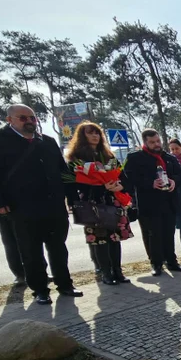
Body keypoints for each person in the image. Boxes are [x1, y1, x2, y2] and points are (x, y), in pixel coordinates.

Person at [0, 104, 82, 305]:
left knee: (58, 248)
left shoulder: (47, 142)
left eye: (32, 118)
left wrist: (73, 199)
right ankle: (40, 289)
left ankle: (65, 284)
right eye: (23, 118)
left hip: (54, 206)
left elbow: (64, 172)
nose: (29, 122)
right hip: (21, 207)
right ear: (10, 120)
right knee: (31, 251)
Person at [64, 122, 133, 285]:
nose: (95, 136)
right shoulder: (76, 159)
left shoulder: (109, 156)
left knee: (114, 238)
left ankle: (118, 271)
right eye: (90, 133)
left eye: (97, 133)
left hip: (111, 201)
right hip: (92, 203)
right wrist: (99, 187)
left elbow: (123, 176)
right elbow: (71, 184)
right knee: (100, 239)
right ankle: (106, 273)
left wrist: (120, 185)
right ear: (82, 136)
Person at [122, 129, 181, 276]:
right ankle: (156, 264)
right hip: (149, 204)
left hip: (169, 201)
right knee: (153, 234)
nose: (156, 144)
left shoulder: (169, 157)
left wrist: (174, 181)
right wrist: (150, 183)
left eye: (158, 141)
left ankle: (172, 261)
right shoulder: (135, 158)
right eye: (152, 142)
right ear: (145, 142)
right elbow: (129, 179)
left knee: (169, 233)